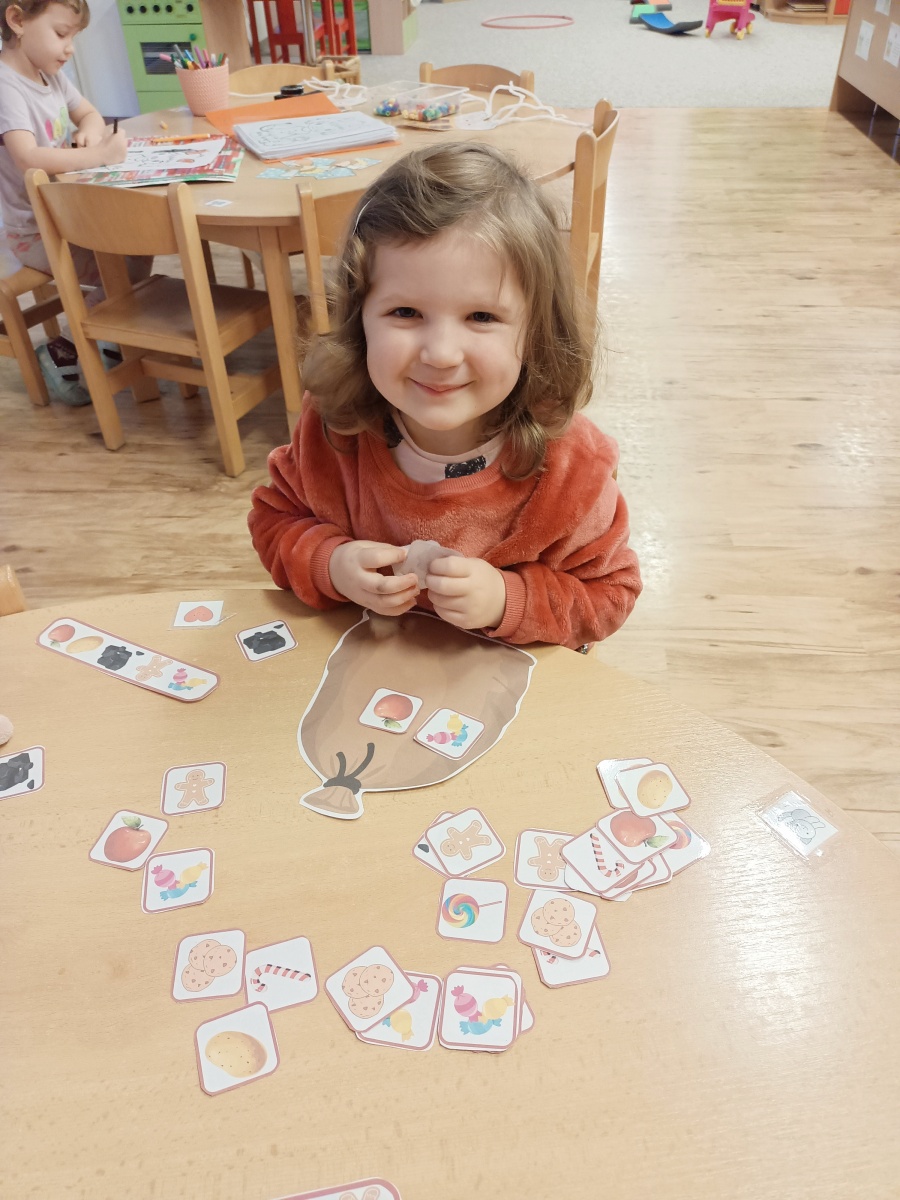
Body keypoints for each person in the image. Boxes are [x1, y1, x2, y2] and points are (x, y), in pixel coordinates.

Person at [248, 142, 642, 651]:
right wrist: (330, 564)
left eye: (481, 317)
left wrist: (509, 599)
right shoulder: (332, 429)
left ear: (536, 333)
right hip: (373, 675)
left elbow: (610, 593)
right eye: (405, 312)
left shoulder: (572, 470)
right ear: (359, 320)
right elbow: (274, 522)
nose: (440, 354)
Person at [0, 0, 129, 404]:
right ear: (17, 20)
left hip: (66, 216)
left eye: (74, 36)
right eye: (61, 34)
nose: (70, 47)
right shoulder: (6, 87)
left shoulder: (50, 76)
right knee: (121, 261)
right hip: (33, 232)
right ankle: (67, 349)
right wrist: (97, 156)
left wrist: (90, 130)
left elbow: (90, 114)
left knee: (134, 251)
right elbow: (27, 157)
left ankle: (100, 339)